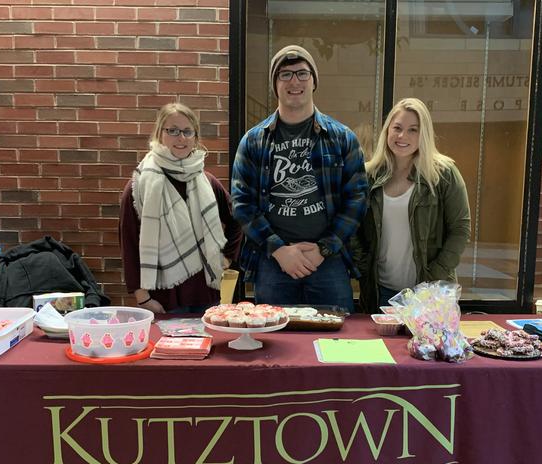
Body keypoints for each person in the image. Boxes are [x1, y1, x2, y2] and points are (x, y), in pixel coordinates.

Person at [231, 45, 367, 312]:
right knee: (277, 344)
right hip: (273, 262)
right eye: (285, 75)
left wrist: (323, 250)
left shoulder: (342, 138)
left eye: (302, 74)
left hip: (328, 261)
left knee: (337, 342)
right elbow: (241, 203)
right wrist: (280, 250)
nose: (295, 81)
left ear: (314, 81)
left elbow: (358, 199)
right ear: (275, 84)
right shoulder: (254, 141)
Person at [119, 102, 242, 314]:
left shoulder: (208, 182)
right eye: (173, 131)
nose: (181, 138)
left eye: (187, 131)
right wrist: (142, 298)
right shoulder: (139, 186)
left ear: (195, 137)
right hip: (162, 298)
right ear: (160, 134)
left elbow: (237, 220)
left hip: (207, 294)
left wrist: (228, 257)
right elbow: (129, 243)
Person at [355, 97, 471, 313]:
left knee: (427, 348)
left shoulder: (443, 174)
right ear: (387, 130)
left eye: (413, 130)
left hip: (430, 293)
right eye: (397, 128)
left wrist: (432, 278)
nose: (402, 136)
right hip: (380, 292)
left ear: (424, 134)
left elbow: (460, 230)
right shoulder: (368, 175)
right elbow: (354, 227)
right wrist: (363, 267)